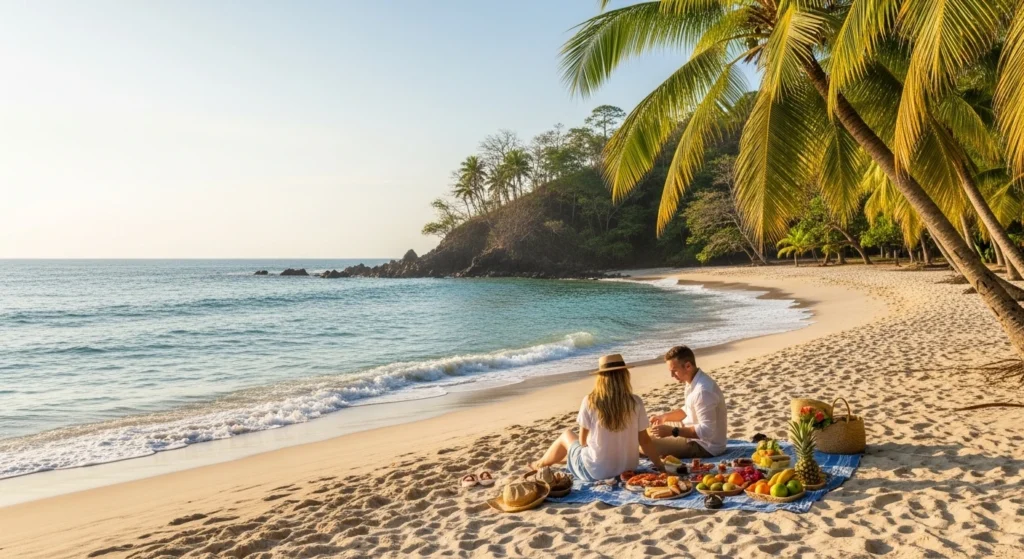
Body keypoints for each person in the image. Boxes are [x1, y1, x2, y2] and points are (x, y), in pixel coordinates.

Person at [530, 354, 663, 481]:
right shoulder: (635, 402)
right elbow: (644, 441)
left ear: (601, 378)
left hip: (595, 472)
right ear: (625, 376)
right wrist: (661, 466)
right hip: (628, 469)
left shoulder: (590, 401)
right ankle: (551, 461)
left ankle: (539, 464)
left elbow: (582, 442)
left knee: (567, 435)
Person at [648, 345, 727, 458]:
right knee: (647, 432)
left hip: (705, 446)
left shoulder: (702, 391)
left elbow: (707, 432)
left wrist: (673, 431)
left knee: (644, 443)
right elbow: (687, 410)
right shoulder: (692, 381)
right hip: (691, 433)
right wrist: (663, 417)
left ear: (688, 366)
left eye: (674, 371)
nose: (672, 376)